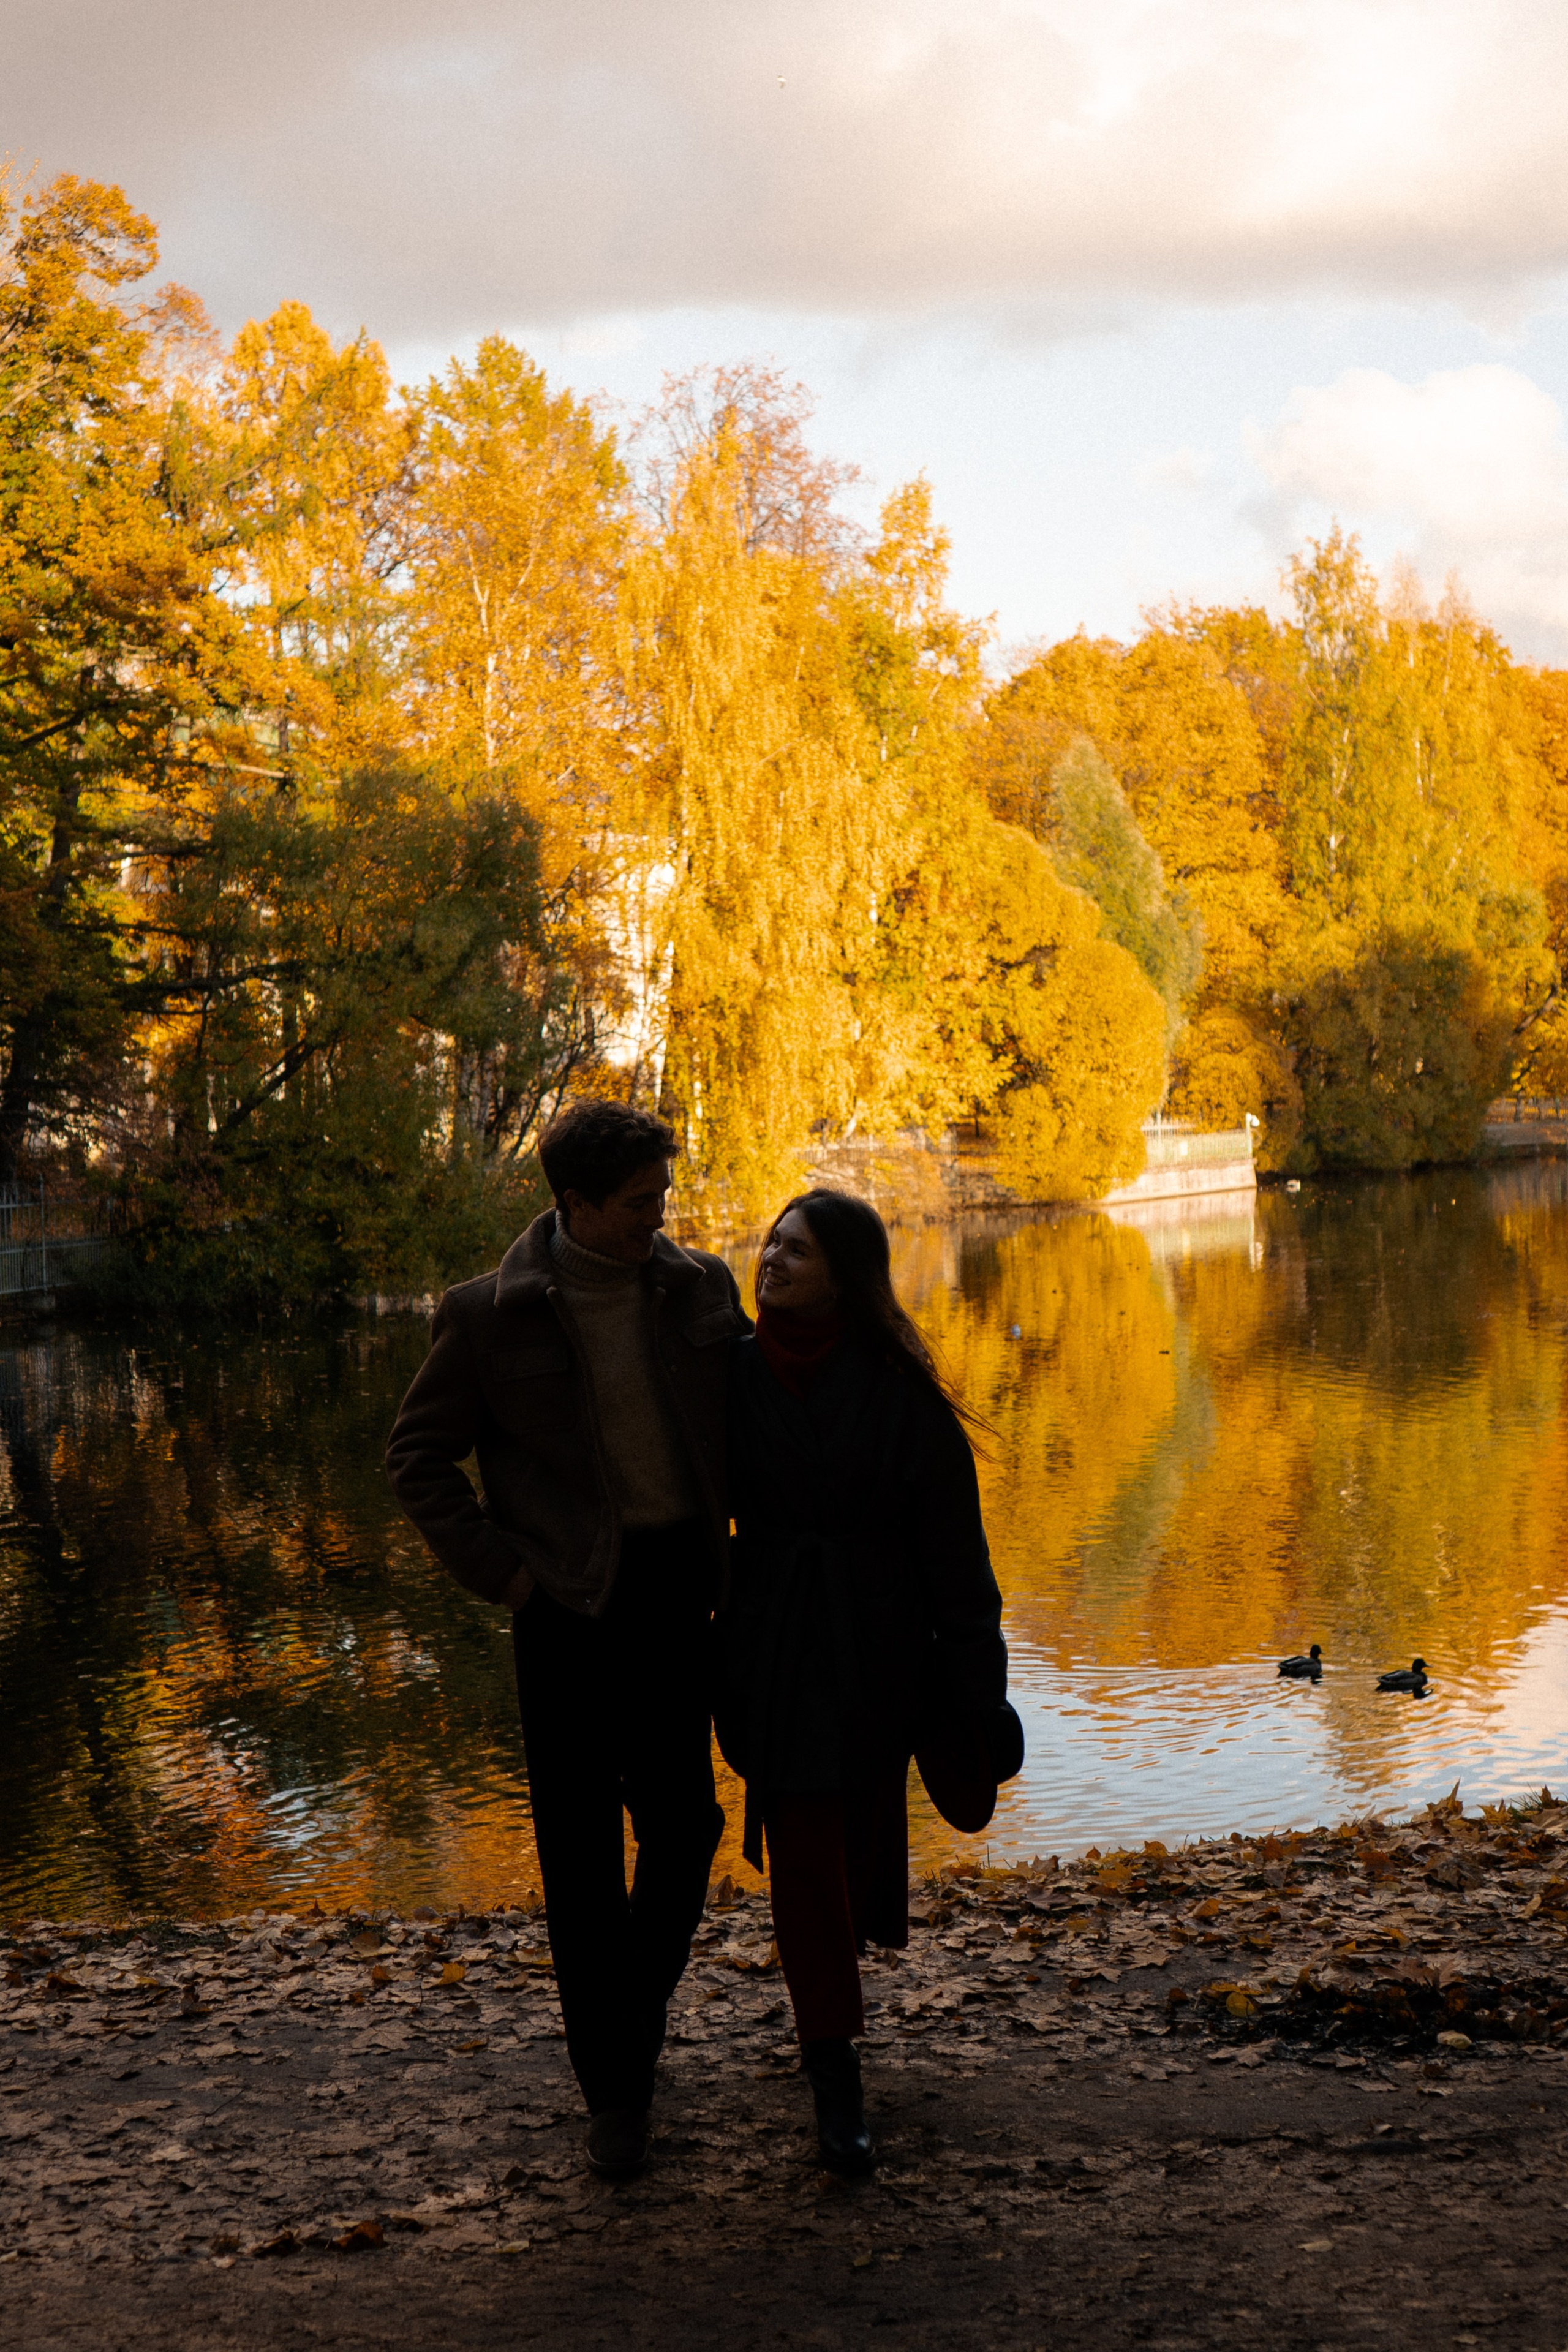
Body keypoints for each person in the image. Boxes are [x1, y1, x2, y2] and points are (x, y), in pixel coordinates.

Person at [385, 1100, 749, 2179]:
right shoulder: (489, 1319)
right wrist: (504, 1575)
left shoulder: (699, 1288)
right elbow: (417, 1461)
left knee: (685, 1830)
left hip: (681, 1598)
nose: (659, 1219)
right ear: (576, 1204)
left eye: (663, 1199)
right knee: (583, 1862)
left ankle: (625, 2019)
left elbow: (761, 1422)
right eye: (638, 1204)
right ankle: (617, 2098)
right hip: (568, 1616)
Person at [715, 1188, 1014, 2176]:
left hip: (879, 1650)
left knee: (857, 1837)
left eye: (796, 1250)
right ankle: (832, 2067)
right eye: (771, 1243)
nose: (772, 1259)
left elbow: (957, 1561)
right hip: (771, 1648)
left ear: (844, 1271)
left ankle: (833, 2002)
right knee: (804, 1850)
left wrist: (978, 1690)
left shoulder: (899, 1394)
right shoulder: (732, 1376)